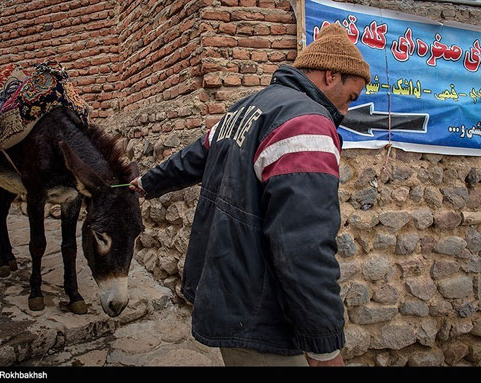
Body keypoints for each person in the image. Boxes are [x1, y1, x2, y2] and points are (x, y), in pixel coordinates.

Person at [130, 23, 370, 367]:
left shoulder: (245, 108)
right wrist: (324, 347)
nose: (346, 113)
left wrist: (148, 182)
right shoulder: (309, 123)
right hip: (261, 313)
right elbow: (303, 246)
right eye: (351, 98)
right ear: (331, 75)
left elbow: (194, 156)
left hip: (227, 293)